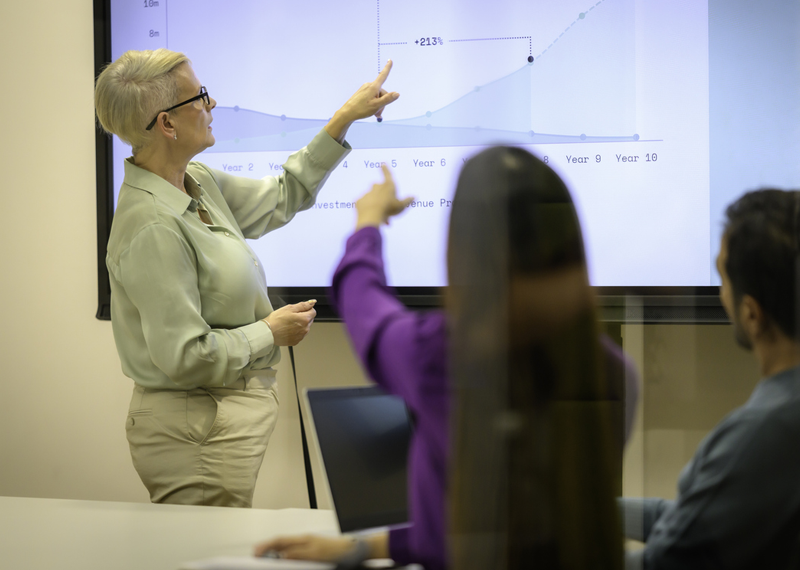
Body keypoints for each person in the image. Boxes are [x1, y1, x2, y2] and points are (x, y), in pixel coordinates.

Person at [256, 149, 639, 569]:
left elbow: (363, 300)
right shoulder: (616, 374)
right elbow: (497, 532)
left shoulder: (442, 356)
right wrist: (363, 548)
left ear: (465, 252)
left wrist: (368, 222)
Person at [95, 48, 399, 508]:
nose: (211, 104)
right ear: (167, 124)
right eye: (199, 96)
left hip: (216, 423)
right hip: (194, 434)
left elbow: (283, 196)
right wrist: (269, 332)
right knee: (204, 555)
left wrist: (343, 119)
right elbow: (185, 357)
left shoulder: (194, 179)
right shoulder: (152, 225)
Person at [621, 189, 800, 569]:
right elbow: (694, 521)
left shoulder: (768, 430)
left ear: (751, 314)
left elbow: (664, 562)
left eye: (722, 276)